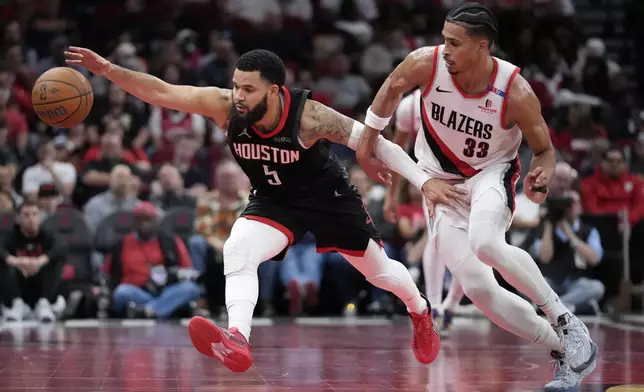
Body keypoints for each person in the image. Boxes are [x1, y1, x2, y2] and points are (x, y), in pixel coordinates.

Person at [65, 47, 442, 373]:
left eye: (248, 88)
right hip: (274, 200)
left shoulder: (309, 116)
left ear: (275, 91)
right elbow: (162, 92)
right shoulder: (225, 108)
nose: (238, 95)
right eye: (235, 85)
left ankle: (420, 310)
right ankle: (237, 338)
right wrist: (109, 70)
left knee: (381, 275)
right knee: (238, 248)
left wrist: (423, 182)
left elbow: (376, 143)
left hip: (329, 199)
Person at [354, 3, 596, 390]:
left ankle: (565, 320)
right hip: (437, 179)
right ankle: (566, 350)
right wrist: (366, 144)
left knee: (485, 243)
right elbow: (391, 88)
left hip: (489, 174)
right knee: (480, 289)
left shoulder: (514, 90)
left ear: (483, 47)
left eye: (454, 43)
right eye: (444, 40)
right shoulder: (425, 64)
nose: (444, 49)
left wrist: (542, 174)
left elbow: (545, 150)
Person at [389, 88, 465, 335]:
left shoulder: (468, 94)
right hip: (432, 177)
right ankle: (434, 307)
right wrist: (392, 196)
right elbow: (395, 154)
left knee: (473, 245)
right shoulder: (410, 106)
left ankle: (451, 304)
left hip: (473, 176)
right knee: (437, 237)